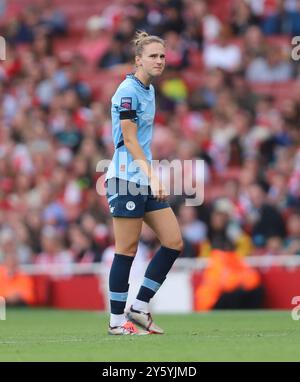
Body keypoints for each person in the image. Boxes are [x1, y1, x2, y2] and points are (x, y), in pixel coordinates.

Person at [104, 31, 183, 335]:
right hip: (126, 179)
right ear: (138, 60)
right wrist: (153, 176)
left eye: (162, 56)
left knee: (173, 241)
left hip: (141, 178)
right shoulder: (128, 90)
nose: (159, 60)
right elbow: (129, 139)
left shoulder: (148, 90)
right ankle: (115, 322)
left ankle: (139, 307)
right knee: (126, 250)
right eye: (153, 56)